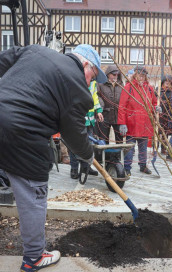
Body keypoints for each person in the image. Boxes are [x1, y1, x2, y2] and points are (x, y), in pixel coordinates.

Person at [0, 44, 107, 272]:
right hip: (23, 132)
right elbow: (75, 134)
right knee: (33, 191)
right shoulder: (77, 87)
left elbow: (4, 59)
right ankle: (35, 257)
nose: (90, 83)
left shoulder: (35, 51)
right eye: (93, 76)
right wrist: (88, 156)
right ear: (84, 64)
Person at [118, 66, 158, 176]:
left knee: (143, 147)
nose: (141, 77)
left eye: (143, 75)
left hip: (145, 123)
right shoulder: (128, 87)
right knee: (130, 148)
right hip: (132, 123)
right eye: (139, 75)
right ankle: (127, 167)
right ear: (135, 75)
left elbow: (154, 103)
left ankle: (143, 165)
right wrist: (122, 123)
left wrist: (156, 108)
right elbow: (122, 106)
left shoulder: (149, 88)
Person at [69, 79, 104, 179]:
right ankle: (74, 168)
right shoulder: (75, 79)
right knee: (74, 145)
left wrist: (99, 110)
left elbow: (95, 98)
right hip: (78, 119)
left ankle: (85, 167)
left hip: (90, 120)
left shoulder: (93, 83)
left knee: (88, 145)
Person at [96, 65, 124, 144]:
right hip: (105, 115)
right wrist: (101, 107)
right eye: (113, 74)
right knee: (104, 139)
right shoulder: (101, 84)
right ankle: (105, 156)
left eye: (117, 75)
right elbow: (97, 96)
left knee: (119, 140)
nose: (115, 76)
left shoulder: (121, 85)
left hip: (118, 116)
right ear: (108, 74)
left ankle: (118, 156)